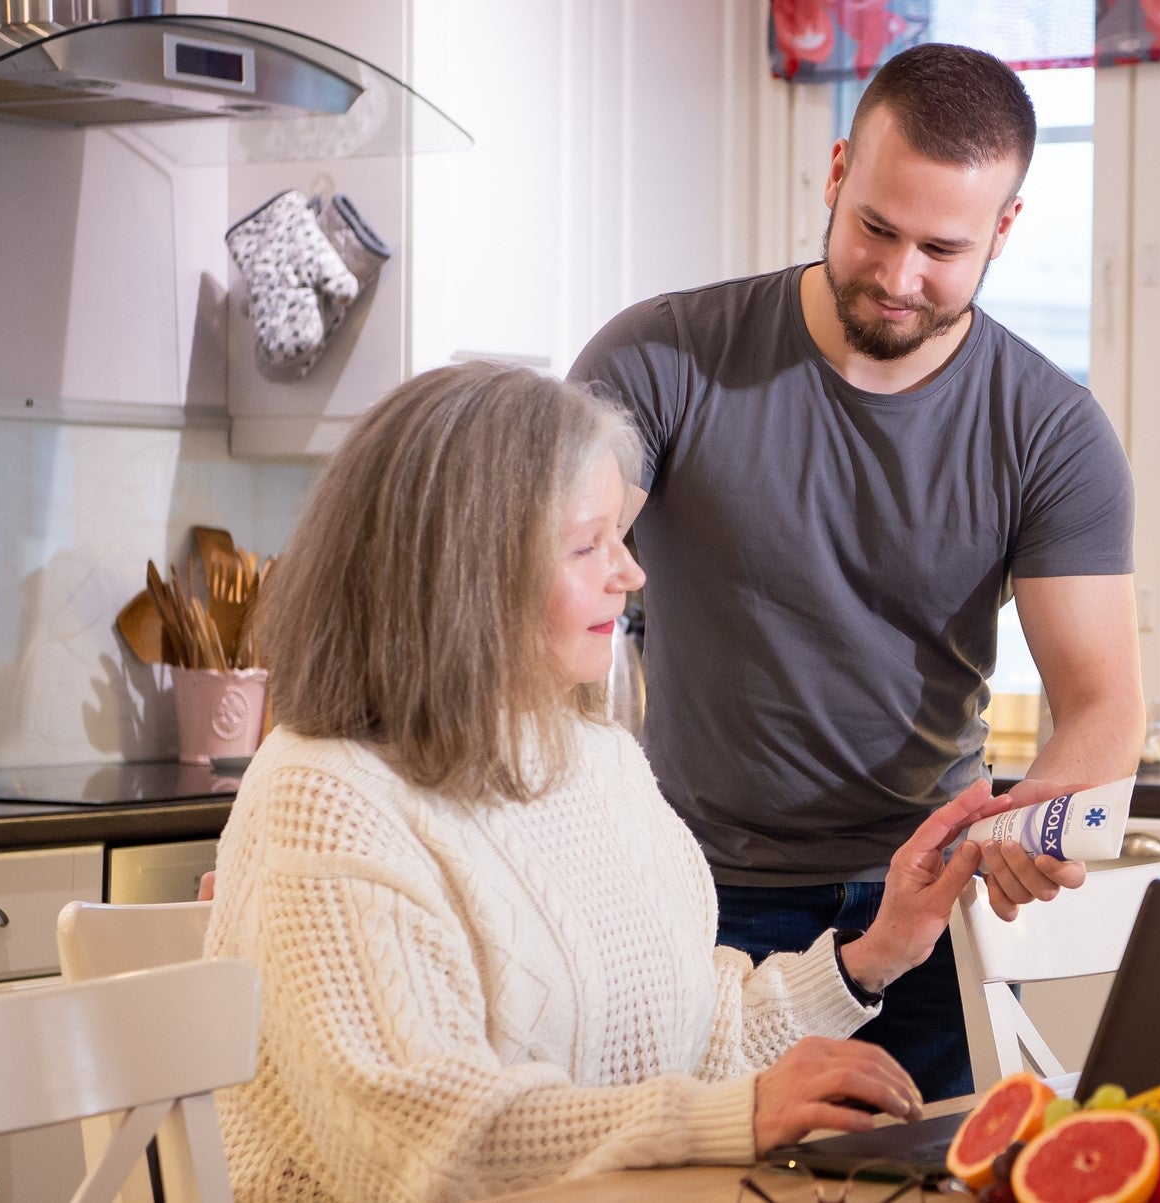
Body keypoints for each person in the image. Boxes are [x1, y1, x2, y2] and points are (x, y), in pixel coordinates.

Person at [203, 361, 1035, 1201]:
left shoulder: (595, 760)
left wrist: (873, 953)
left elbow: (698, 1042)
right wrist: (726, 1116)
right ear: (466, 574)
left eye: (620, 538)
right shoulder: (322, 797)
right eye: (585, 543)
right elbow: (428, 1138)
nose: (629, 573)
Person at [570, 42, 1145, 1103]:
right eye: (876, 228)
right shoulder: (661, 360)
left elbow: (1104, 700)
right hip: (688, 895)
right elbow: (546, 580)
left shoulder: (1050, 432)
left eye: (941, 246)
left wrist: (1037, 822)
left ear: (1004, 231)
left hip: (924, 899)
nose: (897, 275)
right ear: (835, 175)